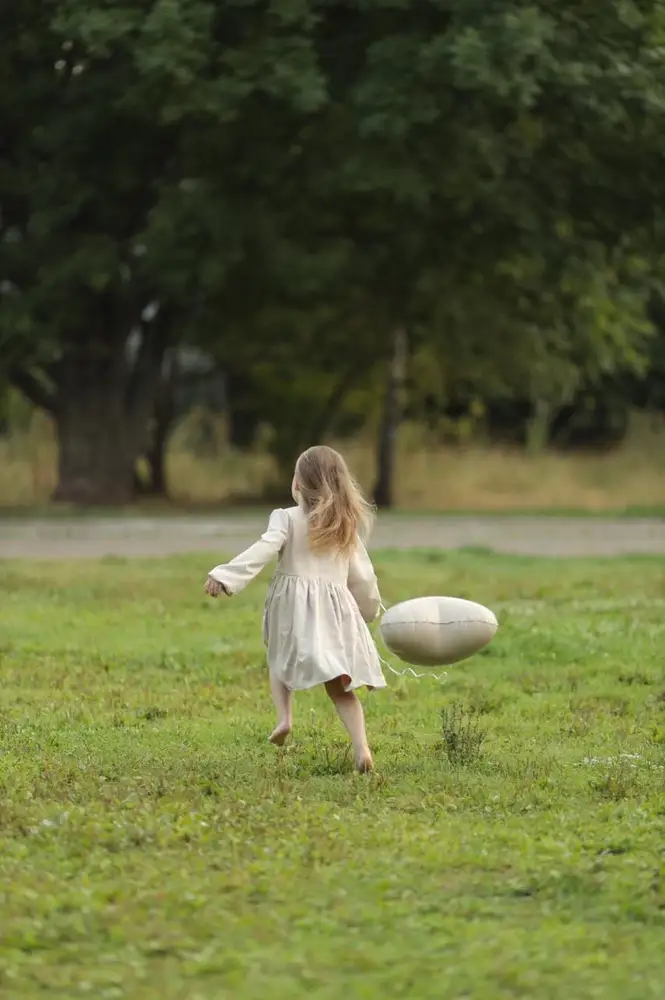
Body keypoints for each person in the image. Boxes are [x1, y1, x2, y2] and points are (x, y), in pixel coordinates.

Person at [205, 445, 386, 772]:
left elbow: (264, 548)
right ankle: (362, 748)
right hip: (335, 609)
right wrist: (369, 610)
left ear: (299, 483)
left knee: (279, 655)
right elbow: (363, 575)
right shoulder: (345, 525)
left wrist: (225, 575)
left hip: (292, 603)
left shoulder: (286, 517)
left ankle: (284, 718)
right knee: (340, 685)